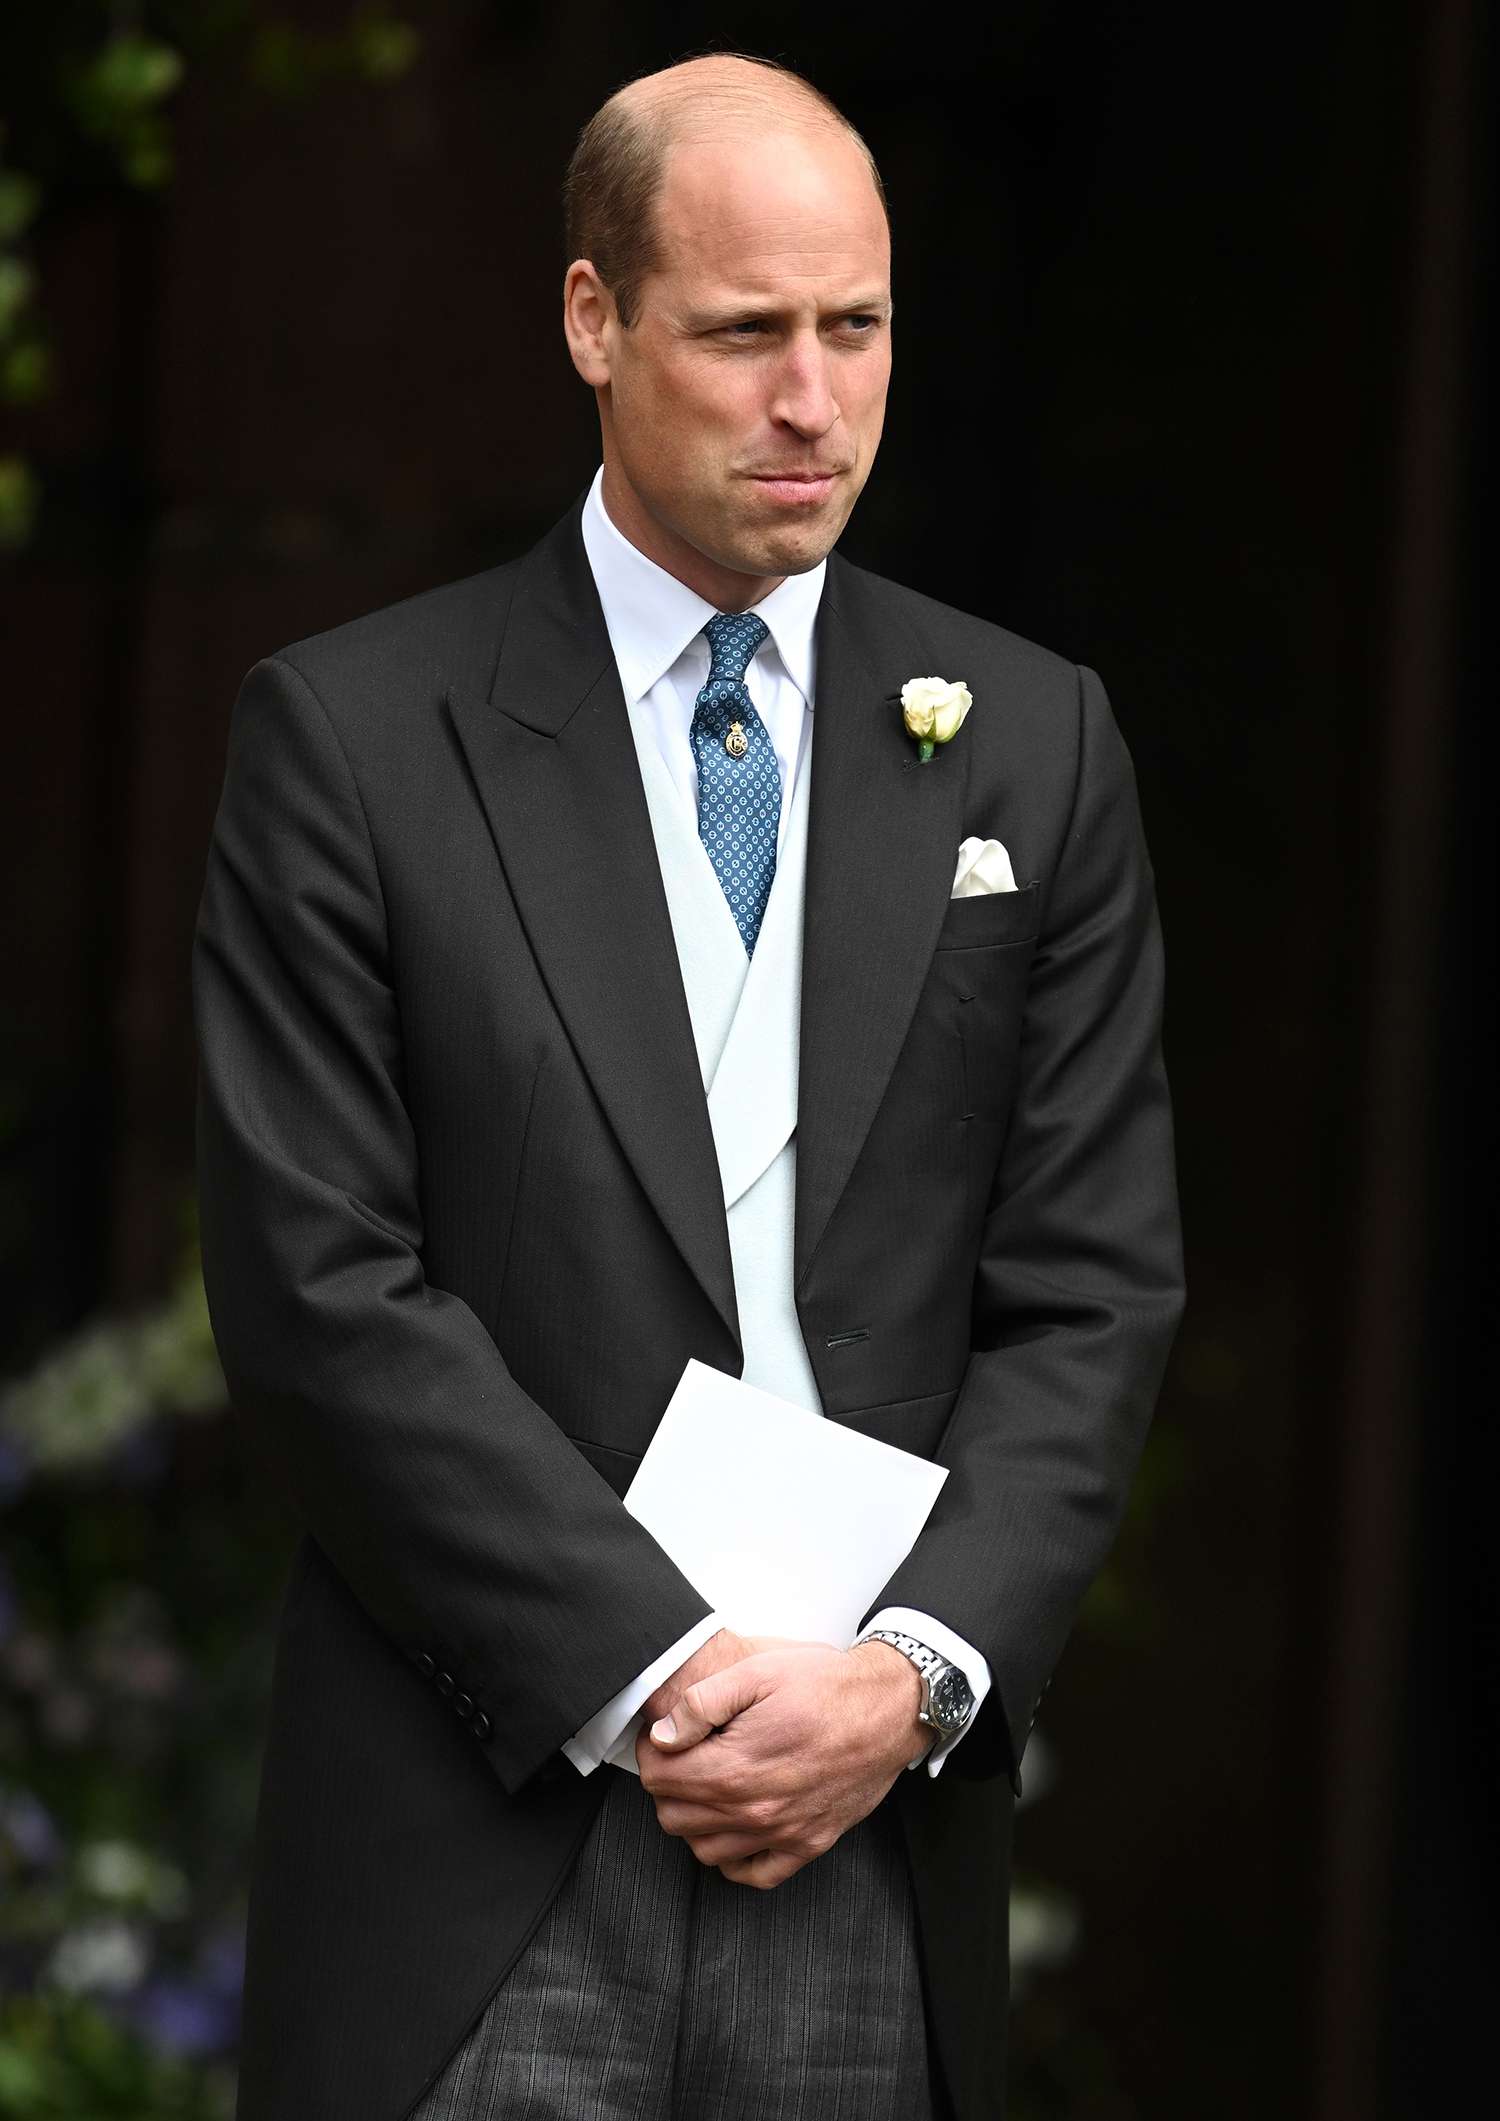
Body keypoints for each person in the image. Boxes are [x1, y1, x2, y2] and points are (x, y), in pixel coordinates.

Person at [192, 50, 1183, 2121]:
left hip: (875, 1843)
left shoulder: (1034, 741)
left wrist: (904, 1683)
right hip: (494, 1828)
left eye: (857, 326)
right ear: (592, 321)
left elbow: (1091, 1289)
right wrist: (663, 1675)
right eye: (745, 333)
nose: (812, 399)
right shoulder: (356, 741)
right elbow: (320, 1291)